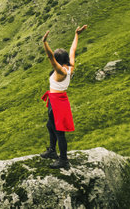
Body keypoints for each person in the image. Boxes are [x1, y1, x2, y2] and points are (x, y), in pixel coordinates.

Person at [40, 25, 88, 169]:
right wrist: (76, 35)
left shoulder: (60, 71)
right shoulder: (70, 66)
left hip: (57, 102)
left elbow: (49, 56)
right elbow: (73, 50)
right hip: (57, 100)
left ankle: (63, 160)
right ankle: (52, 151)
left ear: (57, 59)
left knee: (59, 132)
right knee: (50, 125)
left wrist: (44, 42)